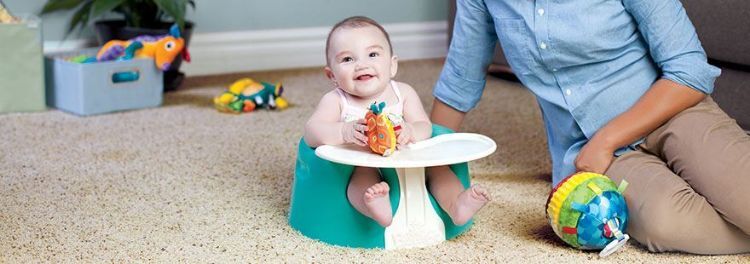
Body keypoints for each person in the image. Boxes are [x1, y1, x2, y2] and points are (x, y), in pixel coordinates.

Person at [431, 0, 750, 254]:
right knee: (663, 223)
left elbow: (689, 69)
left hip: (676, 112)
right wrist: (427, 159)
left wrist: (606, 140)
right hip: (599, 155)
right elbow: (460, 81)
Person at [304, 16, 490, 228]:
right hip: (363, 160)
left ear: (392, 65)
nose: (361, 65)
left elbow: (425, 126)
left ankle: (457, 204)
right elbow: (312, 132)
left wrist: (411, 131)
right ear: (332, 75)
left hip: (406, 156)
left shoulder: (403, 93)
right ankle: (375, 208)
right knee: (361, 179)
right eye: (348, 59)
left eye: (373, 54)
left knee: (438, 169)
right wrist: (344, 131)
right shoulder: (336, 101)